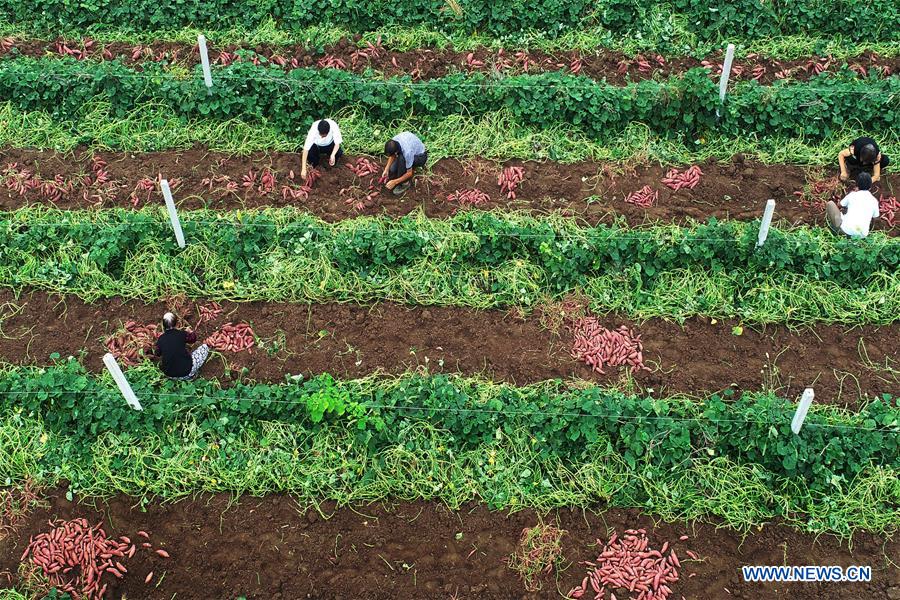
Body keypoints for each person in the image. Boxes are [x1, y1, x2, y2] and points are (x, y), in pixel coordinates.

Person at [155, 312, 209, 380]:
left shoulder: (161, 339)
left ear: (163, 325)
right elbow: (193, 340)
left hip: (169, 375)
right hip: (186, 372)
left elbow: (157, 353)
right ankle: (191, 376)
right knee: (205, 347)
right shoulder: (181, 334)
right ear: (176, 324)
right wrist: (190, 332)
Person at [825, 172, 880, 238]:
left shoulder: (852, 195)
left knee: (830, 204)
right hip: (862, 236)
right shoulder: (874, 201)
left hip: (844, 232)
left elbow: (839, 205)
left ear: (856, 185)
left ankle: (833, 229)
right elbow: (875, 218)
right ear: (870, 186)